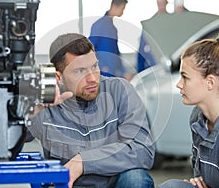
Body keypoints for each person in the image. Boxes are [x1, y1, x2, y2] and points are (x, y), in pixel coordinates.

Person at [27, 33, 155, 188]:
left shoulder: (120, 91)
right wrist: (33, 110)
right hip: (69, 184)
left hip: (115, 182)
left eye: (94, 66)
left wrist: (82, 161)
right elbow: (2, 146)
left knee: (136, 178)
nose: (92, 78)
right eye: (80, 71)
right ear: (58, 77)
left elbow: (142, 149)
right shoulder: (45, 104)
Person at [158, 31, 219, 188]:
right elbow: (201, 174)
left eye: (185, 77)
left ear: (210, 82)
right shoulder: (198, 118)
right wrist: (198, 180)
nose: (179, 84)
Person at [89, 0, 132, 80]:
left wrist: (123, 71)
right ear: (114, 6)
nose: (123, 12)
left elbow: (116, 52)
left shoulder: (113, 28)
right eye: (122, 8)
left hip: (114, 71)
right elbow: (91, 48)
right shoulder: (99, 25)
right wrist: (99, 66)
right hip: (103, 71)